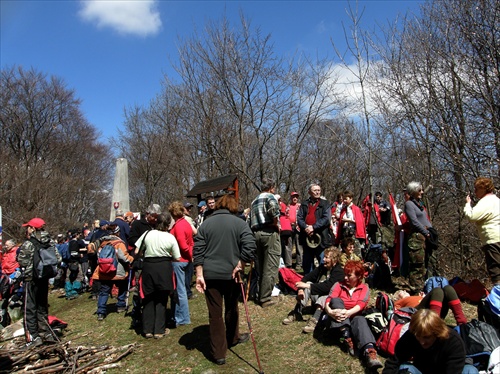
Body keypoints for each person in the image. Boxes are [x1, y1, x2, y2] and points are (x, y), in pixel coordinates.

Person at [193, 194, 256, 365]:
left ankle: (220, 352)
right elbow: (251, 244)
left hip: (211, 275)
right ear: (233, 207)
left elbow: (197, 249)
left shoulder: (206, 224)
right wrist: (241, 264)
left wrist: (199, 274)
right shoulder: (240, 223)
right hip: (232, 274)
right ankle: (231, 339)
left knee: (215, 314)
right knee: (231, 307)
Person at [322, 260, 383, 369]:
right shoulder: (338, 285)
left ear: (359, 276)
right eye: (345, 274)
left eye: (349, 275)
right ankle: (347, 337)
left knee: (360, 319)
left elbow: (361, 303)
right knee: (336, 301)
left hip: (353, 316)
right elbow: (329, 300)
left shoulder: (364, 288)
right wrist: (330, 312)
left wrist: (348, 313)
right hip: (337, 319)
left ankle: (370, 352)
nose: (345, 278)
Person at [382, 309, 478, 374]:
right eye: (418, 337)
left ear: (437, 333)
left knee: (470, 371)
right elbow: (394, 361)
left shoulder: (453, 342)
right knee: (404, 368)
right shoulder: (411, 335)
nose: (422, 342)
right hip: (422, 371)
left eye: (426, 337)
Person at [134, 215, 180, 339]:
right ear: (167, 224)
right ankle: (159, 330)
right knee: (162, 298)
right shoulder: (170, 237)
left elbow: (136, 251)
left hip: (149, 267)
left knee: (148, 297)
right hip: (164, 267)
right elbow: (177, 257)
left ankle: (147, 329)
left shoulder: (147, 234)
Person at [17, 217, 61, 347]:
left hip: (31, 279)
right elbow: (58, 258)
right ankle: (46, 332)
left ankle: (32, 337)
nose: (27, 229)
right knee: (42, 306)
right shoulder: (50, 242)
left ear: (33, 228)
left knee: (29, 308)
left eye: (28, 227)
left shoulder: (29, 243)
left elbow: (22, 261)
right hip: (44, 278)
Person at [282, 247, 344, 333]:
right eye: (324, 257)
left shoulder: (339, 272)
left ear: (334, 260)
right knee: (308, 284)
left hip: (330, 302)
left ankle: (315, 320)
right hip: (317, 297)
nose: (324, 259)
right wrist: (300, 289)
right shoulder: (322, 267)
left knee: (323, 294)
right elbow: (307, 277)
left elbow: (327, 287)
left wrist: (307, 285)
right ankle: (296, 312)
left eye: (326, 257)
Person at [87, 225, 134, 321]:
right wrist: (132, 260)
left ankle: (101, 311)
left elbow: (91, 248)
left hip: (104, 271)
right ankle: (121, 305)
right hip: (117, 271)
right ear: (117, 232)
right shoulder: (119, 243)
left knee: (104, 291)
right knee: (122, 287)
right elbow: (123, 257)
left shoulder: (102, 242)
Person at [250, 178, 281, 307]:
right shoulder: (270, 197)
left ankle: (259, 293)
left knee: (261, 266)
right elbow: (274, 210)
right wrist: (275, 223)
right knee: (271, 266)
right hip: (269, 232)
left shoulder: (254, 200)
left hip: (256, 233)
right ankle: (265, 298)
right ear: (271, 187)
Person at [463, 177, 500, 286]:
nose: (475, 192)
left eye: (477, 189)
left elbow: (471, 216)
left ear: (484, 188)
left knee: (496, 269)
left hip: (492, 239)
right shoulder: (497, 200)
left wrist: (467, 204)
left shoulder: (486, 202)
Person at [404, 181, 438, 290]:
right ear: (413, 191)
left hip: (427, 236)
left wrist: (431, 232)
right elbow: (414, 221)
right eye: (419, 190)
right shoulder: (409, 204)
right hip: (417, 238)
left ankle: (428, 288)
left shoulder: (420, 204)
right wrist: (425, 232)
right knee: (417, 265)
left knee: (430, 263)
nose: (422, 192)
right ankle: (416, 289)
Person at [297, 183, 332, 275]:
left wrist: (313, 227)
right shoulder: (304, 204)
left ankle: (322, 277)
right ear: (309, 192)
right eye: (315, 190)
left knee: (322, 258)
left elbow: (326, 219)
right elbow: (299, 218)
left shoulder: (325, 204)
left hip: (321, 236)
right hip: (306, 235)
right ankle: (309, 278)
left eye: (319, 190)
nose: (317, 192)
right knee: (307, 260)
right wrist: (306, 227)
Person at [168, 201, 194, 326]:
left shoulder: (178, 226)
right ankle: (177, 315)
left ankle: (183, 318)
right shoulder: (185, 223)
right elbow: (191, 243)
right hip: (185, 260)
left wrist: (189, 256)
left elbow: (183, 246)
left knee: (180, 291)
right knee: (179, 289)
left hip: (180, 261)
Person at [393, 285, 467, 325]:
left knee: (448, 288)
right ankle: (434, 324)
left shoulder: (417, 297)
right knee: (437, 291)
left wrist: (424, 297)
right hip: (418, 313)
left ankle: (462, 323)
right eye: (401, 292)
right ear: (397, 298)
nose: (404, 291)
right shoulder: (400, 301)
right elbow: (396, 311)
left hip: (434, 309)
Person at [277, 195, 293, 268]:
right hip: (287, 227)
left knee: (281, 246)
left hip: (283, 228)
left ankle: (283, 263)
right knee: (287, 246)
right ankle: (287, 263)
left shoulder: (279, 205)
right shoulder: (284, 205)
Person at [288, 192, 302, 269]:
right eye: (293, 197)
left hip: (298, 228)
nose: (295, 198)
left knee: (298, 246)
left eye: (296, 197)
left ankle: (299, 264)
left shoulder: (300, 206)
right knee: (289, 246)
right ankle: (289, 263)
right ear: (291, 197)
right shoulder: (288, 207)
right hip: (289, 227)